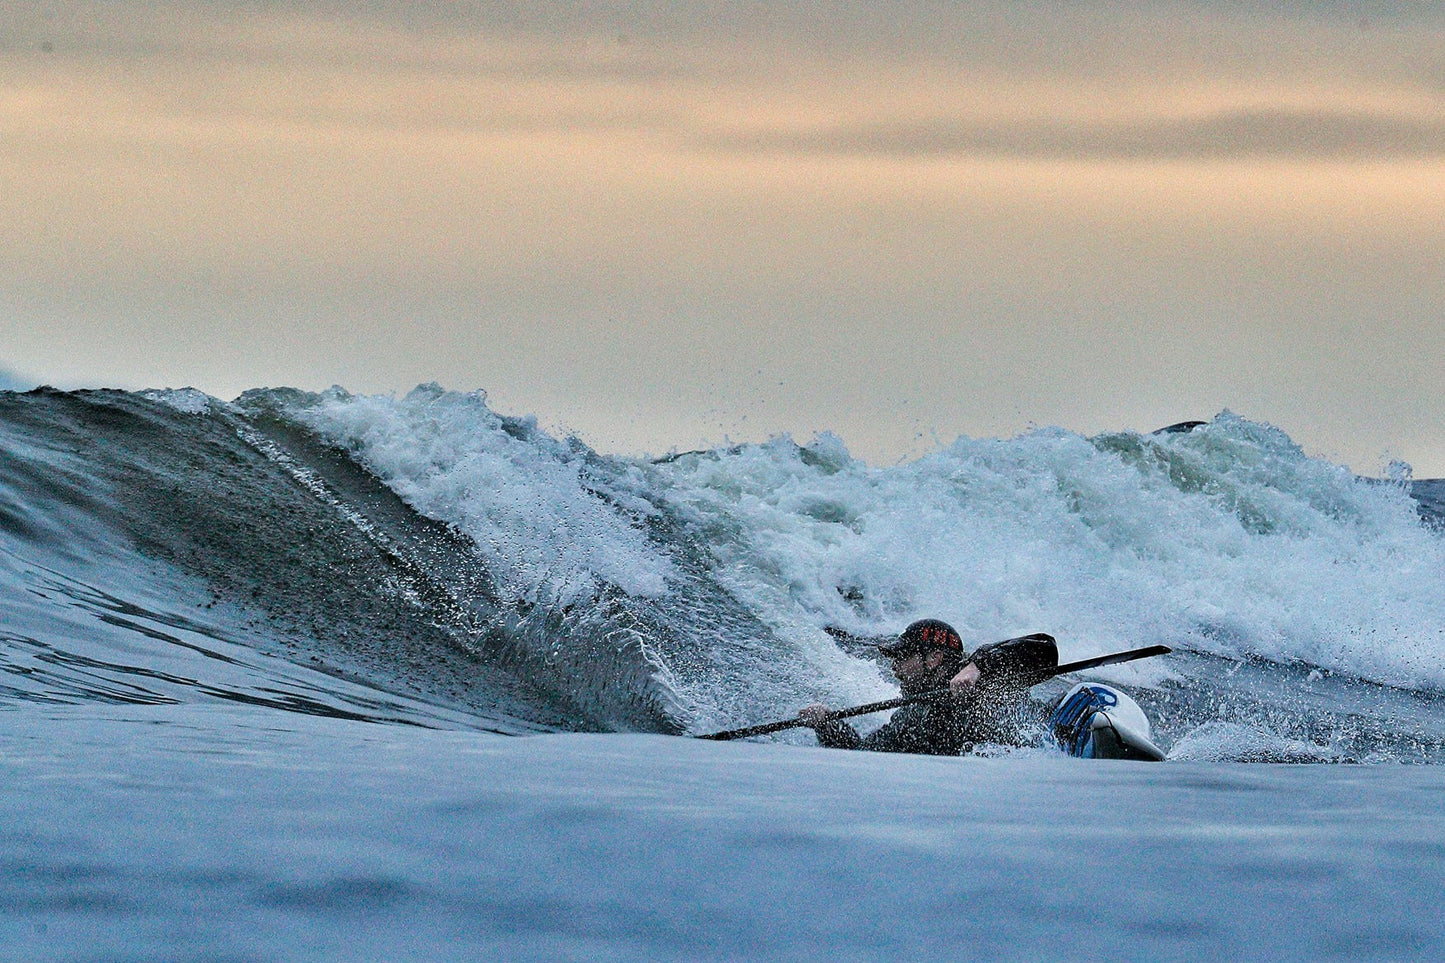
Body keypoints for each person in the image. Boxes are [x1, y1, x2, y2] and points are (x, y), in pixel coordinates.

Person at [799, 619, 1058, 756]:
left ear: (933, 658)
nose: (894, 668)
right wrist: (828, 725)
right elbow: (862, 755)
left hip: (1059, 729)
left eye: (902, 658)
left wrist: (978, 666)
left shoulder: (976, 675)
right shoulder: (912, 717)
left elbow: (1045, 649)